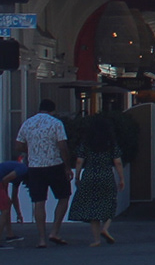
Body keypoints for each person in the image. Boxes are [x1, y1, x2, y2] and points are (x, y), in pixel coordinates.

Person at [14, 99, 74, 249]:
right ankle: (54, 231)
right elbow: (62, 146)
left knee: (39, 202)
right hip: (55, 165)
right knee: (63, 196)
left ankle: (41, 239)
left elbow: (18, 145)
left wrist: (33, 151)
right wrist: (67, 166)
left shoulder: (28, 123)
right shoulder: (56, 123)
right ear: (52, 110)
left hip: (35, 167)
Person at [69, 117, 126, 247]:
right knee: (110, 201)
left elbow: (79, 160)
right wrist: (121, 178)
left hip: (89, 175)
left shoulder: (87, 143)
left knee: (92, 207)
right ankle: (105, 228)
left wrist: (77, 176)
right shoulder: (110, 143)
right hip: (106, 175)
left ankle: (96, 240)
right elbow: (117, 161)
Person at [0, 154, 27, 246]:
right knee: (5, 210)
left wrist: (19, 214)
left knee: (6, 206)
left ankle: (10, 234)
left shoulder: (19, 178)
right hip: (1, 181)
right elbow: (4, 179)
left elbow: (14, 197)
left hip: (2, 180)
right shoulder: (23, 169)